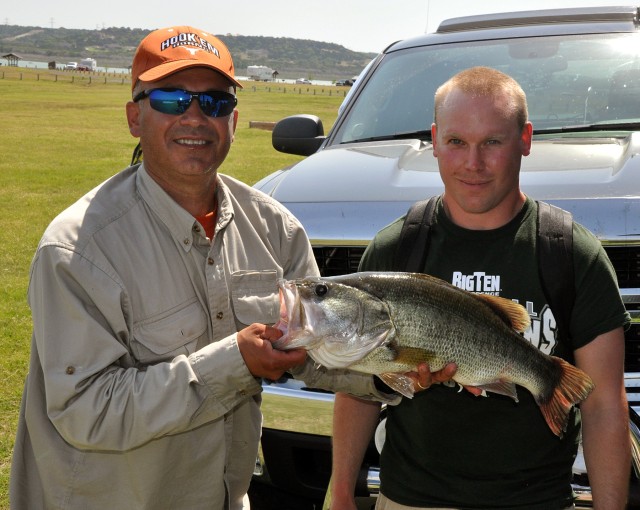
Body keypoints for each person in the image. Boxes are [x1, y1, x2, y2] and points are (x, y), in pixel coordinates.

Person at [8, 25, 397, 510]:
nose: (195, 116)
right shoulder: (76, 250)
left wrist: (393, 371)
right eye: (172, 99)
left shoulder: (277, 230)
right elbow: (86, 410)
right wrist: (234, 361)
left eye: (215, 102)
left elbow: (317, 353)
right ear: (134, 117)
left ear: (233, 120)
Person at [329, 67, 631, 510]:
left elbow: (604, 404)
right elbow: (357, 390)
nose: (473, 163)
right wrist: (339, 495)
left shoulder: (571, 254)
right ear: (434, 140)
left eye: (493, 142)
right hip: (410, 498)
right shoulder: (395, 251)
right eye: (456, 142)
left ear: (525, 140)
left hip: (536, 501)